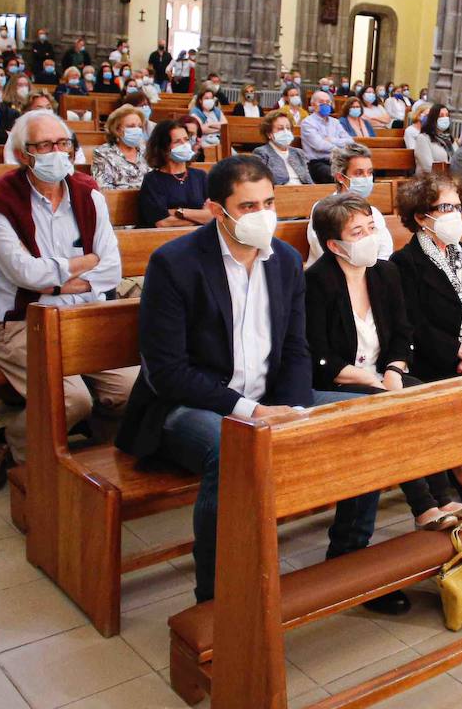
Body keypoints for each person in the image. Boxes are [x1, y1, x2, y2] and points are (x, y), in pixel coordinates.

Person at [114, 156, 407, 613]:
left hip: (270, 396)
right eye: (248, 206)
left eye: (269, 202)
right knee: (232, 450)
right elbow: (166, 371)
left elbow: (295, 347)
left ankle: (349, 557)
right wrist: (251, 412)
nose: (263, 215)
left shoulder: (284, 260)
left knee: (366, 417)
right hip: (189, 405)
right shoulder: (175, 263)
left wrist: (292, 410)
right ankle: (216, 602)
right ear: (216, 209)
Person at [0, 110, 138, 491]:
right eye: (44, 145)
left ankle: (102, 460)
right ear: (23, 154)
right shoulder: (2, 201)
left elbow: (111, 269)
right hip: (25, 323)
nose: (56, 152)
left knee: (132, 387)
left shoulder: (86, 192)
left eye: (62, 143)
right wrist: (79, 268)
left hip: (87, 317)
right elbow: (24, 274)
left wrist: (57, 280)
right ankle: (14, 442)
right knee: (71, 399)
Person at [306, 194, 462, 531]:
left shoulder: (385, 273)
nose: (370, 237)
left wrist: (393, 369)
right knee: (393, 410)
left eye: (372, 227)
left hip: (384, 375)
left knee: (426, 401)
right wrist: (369, 380)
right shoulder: (316, 282)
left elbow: (403, 332)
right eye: (358, 233)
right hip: (339, 381)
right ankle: (424, 507)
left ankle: (443, 498)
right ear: (334, 244)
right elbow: (318, 353)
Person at [390, 172, 462, 505]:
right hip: (433, 360)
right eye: (446, 207)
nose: (456, 215)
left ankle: (461, 468)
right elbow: (413, 324)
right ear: (422, 217)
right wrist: (457, 351)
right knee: (456, 402)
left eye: (458, 207)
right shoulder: (406, 263)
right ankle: (457, 476)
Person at [306, 143, 392, 263]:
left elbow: (385, 250)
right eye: (359, 173)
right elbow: (324, 252)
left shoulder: (373, 212)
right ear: (341, 177)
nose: (367, 178)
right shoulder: (323, 210)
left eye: (370, 172)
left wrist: (376, 273)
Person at [139, 120, 210, 228]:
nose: (185, 145)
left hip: (198, 238)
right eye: (177, 142)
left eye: (186, 140)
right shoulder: (153, 180)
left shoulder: (200, 176)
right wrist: (201, 218)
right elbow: (162, 222)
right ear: (163, 148)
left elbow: (213, 215)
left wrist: (179, 212)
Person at [91, 105, 150, 190]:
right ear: (117, 130)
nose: (137, 130)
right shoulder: (103, 153)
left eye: (140, 126)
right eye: (131, 126)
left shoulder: (147, 151)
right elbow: (104, 188)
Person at [300, 88, 353, 183]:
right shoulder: (308, 123)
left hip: (337, 160)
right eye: (321, 102)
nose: (326, 104)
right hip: (317, 163)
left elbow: (350, 141)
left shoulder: (335, 122)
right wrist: (340, 147)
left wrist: (332, 140)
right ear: (313, 105)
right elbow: (319, 145)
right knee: (331, 175)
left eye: (328, 102)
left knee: (362, 171)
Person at [253, 111, 313, 185]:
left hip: (304, 193)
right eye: (280, 129)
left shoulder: (298, 153)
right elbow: (261, 183)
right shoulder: (262, 152)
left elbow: (309, 181)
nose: (285, 132)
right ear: (269, 134)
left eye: (288, 128)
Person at [414, 102, 456, 174]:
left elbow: (457, 161)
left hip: (448, 179)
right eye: (441, 116)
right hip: (429, 180)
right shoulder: (423, 138)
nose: (445, 118)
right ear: (433, 119)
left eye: (447, 115)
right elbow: (428, 167)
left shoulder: (449, 139)